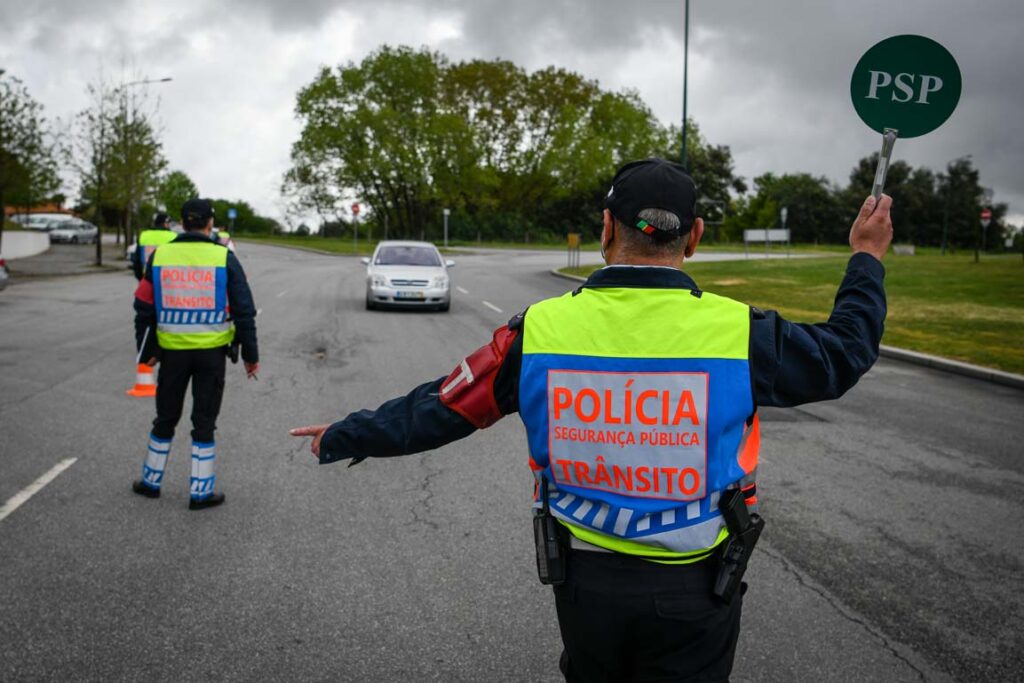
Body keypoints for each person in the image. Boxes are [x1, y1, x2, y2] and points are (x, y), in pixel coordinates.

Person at [290, 159, 892, 680]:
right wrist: (865, 257)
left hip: (585, 585)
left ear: (606, 229)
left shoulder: (539, 330)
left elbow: (441, 408)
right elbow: (844, 353)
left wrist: (346, 433)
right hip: (696, 590)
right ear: (695, 238)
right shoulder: (740, 332)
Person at [132, 198, 260, 510]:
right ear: (209, 223)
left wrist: (145, 353)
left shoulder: (161, 255)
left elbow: (143, 307)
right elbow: (244, 311)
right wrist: (250, 355)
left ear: (182, 222)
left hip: (171, 355)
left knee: (165, 418)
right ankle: (200, 493)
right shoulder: (223, 257)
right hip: (211, 356)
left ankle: (151, 483)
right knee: (204, 421)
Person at [133, 212, 177, 280]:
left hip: (146, 277)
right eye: (169, 223)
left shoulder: (143, 235)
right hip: (166, 278)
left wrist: (140, 278)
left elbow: (136, 260)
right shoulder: (173, 236)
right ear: (165, 223)